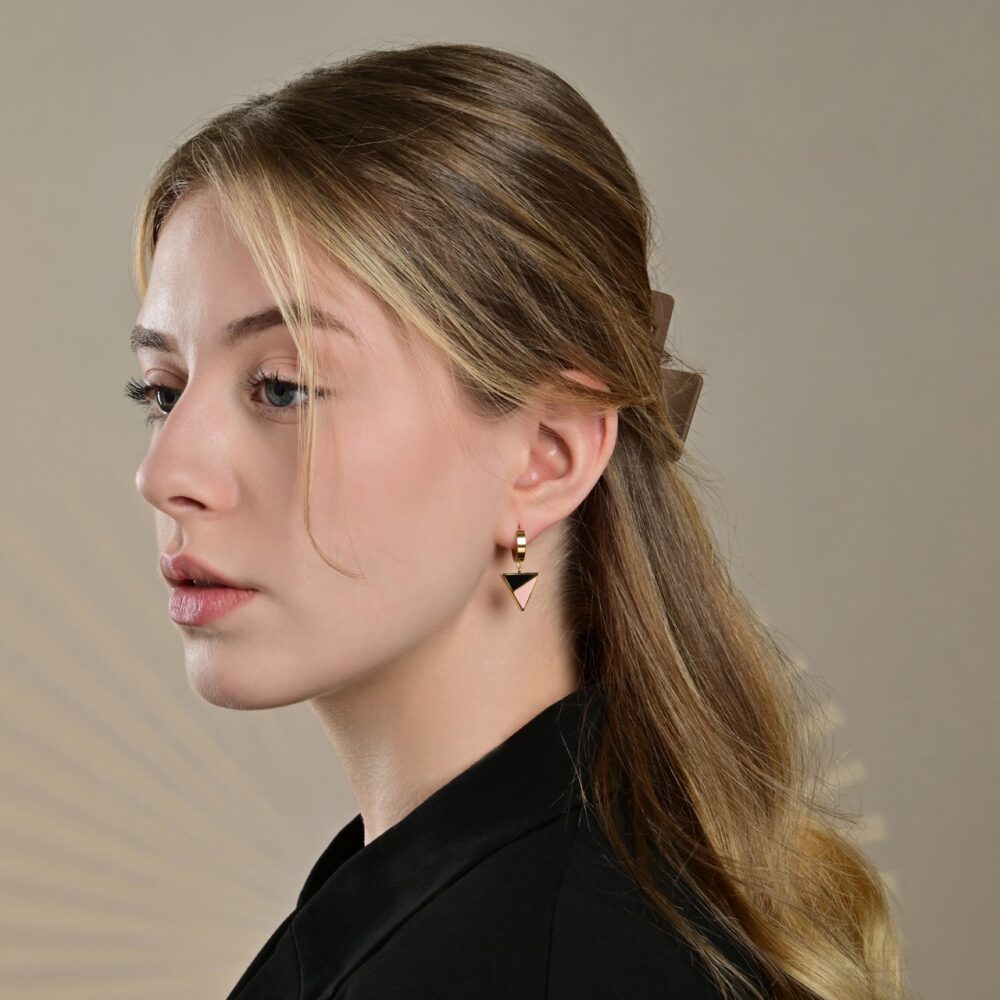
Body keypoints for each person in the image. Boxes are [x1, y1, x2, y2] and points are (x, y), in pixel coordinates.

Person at [126, 42, 910, 1000]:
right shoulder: (481, 899)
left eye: (283, 387)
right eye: (162, 390)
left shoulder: (543, 959)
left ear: (547, 455)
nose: (165, 474)